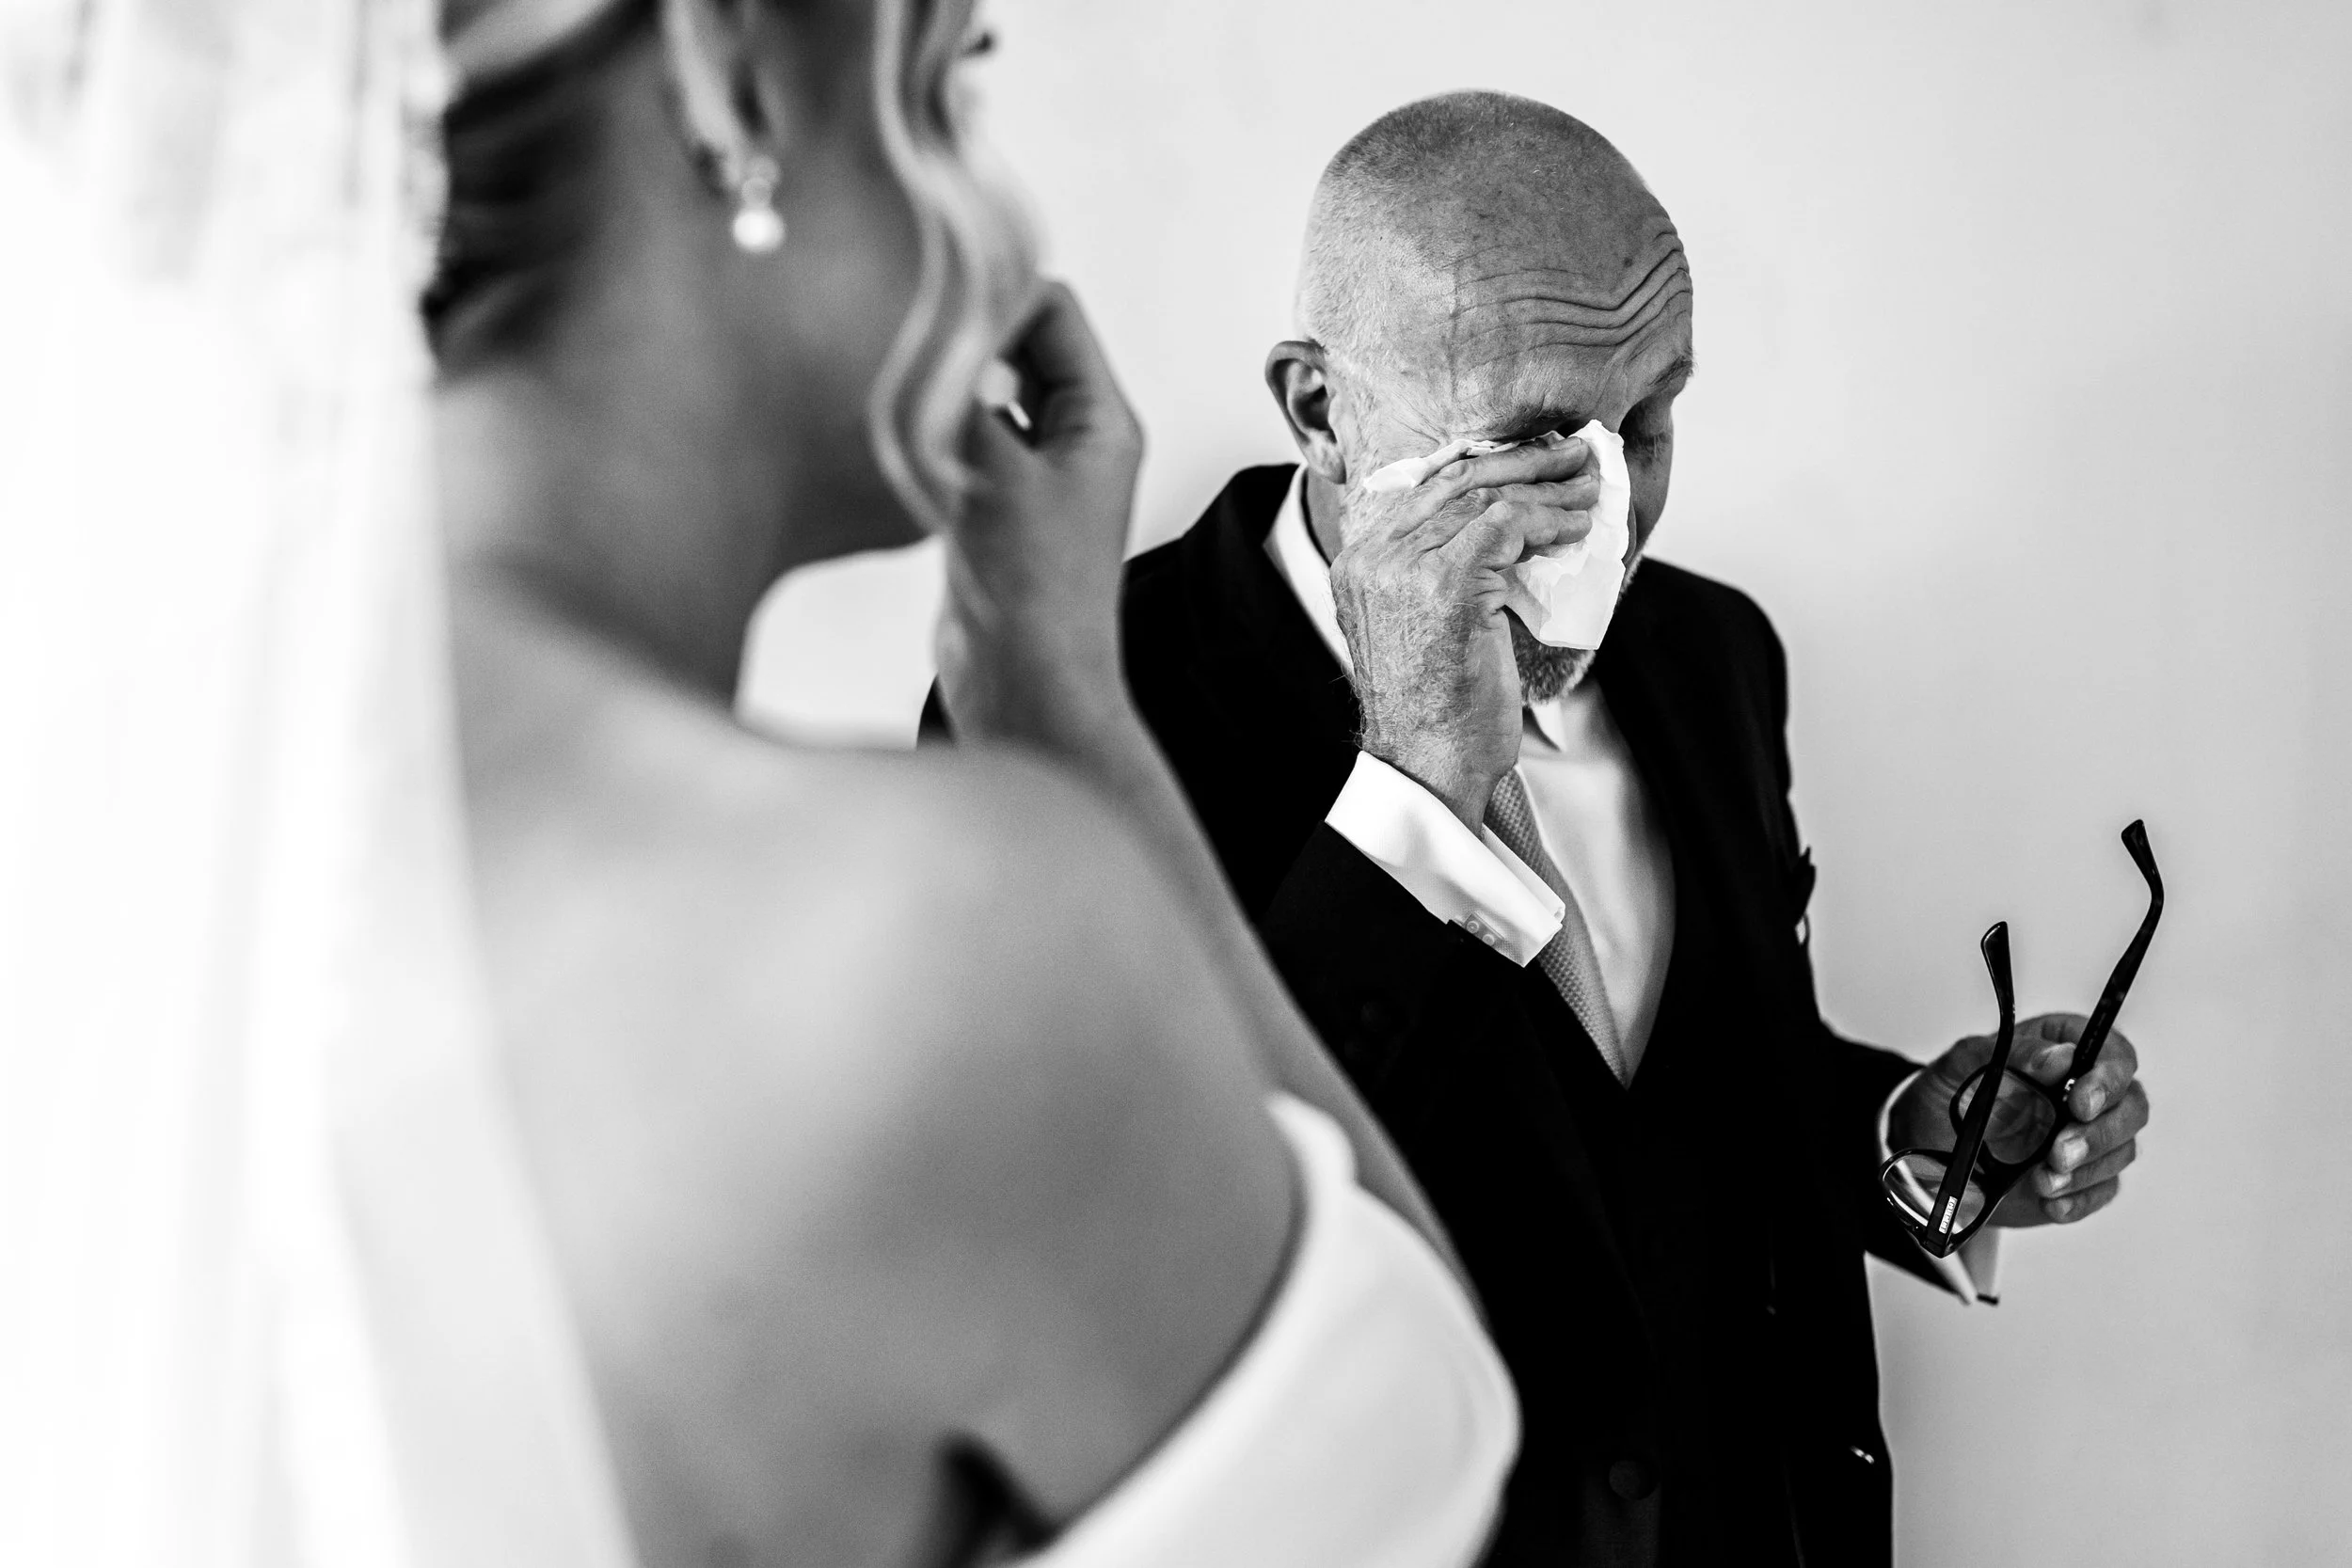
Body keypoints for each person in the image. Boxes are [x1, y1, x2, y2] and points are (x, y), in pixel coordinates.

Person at [405, 1, 1532, 1565]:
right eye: (945, 91)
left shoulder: (138, 816)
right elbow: (1419, 1456)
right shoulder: (912, 942)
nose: (1017, 237)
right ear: (725, 81)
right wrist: (1071, 721)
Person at [1089, 92, 2155, 1566]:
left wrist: (1910, 1142)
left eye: (1650, 419)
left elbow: (1688, 1099)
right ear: (1323, 412)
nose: (1616, 515)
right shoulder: (1084, 697)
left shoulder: (1715, 655)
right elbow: (1142, 1243)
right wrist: (1410, 784)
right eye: (1533, 440)